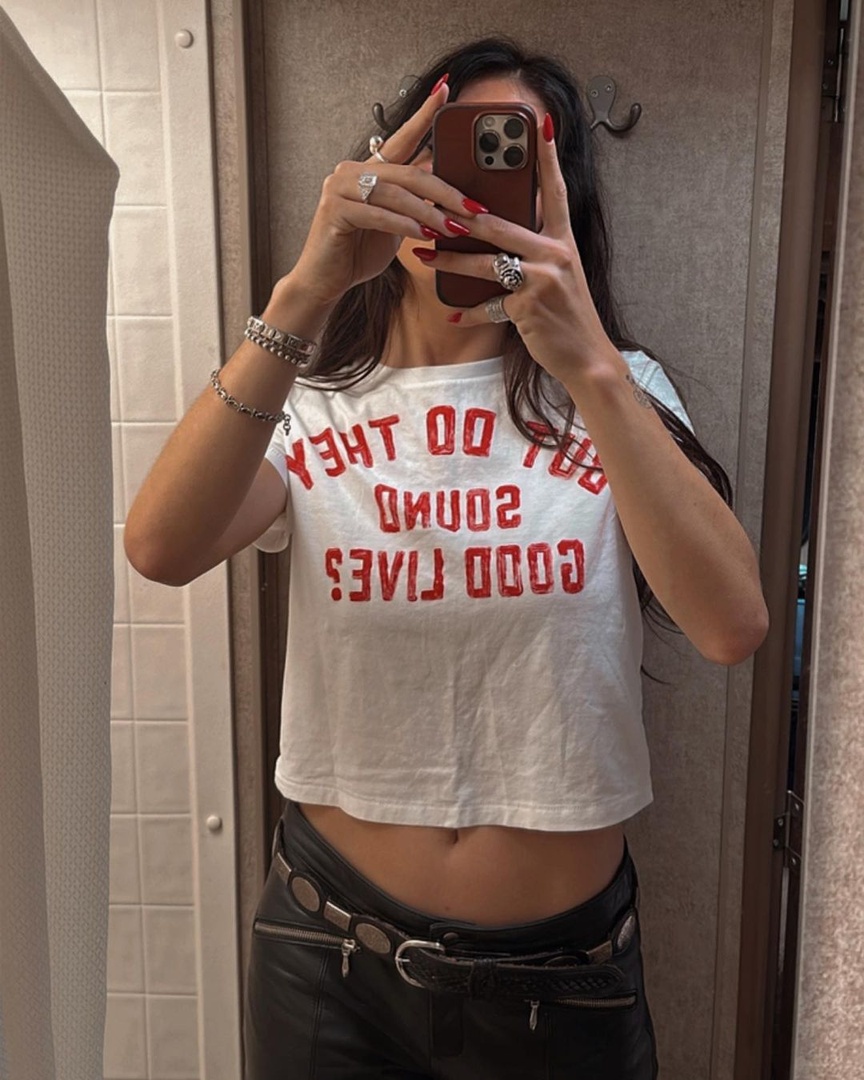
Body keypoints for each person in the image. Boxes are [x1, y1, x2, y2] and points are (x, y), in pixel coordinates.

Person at [125, 36, 768, 1080]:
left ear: (556, 196)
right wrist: (306, 291)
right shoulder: (311, 401)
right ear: (390, 167)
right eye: (441, 155)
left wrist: (590, 363)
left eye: (504, 157)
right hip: (327, 956)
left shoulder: (620, 390)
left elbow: (732, 626)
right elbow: (160, 545)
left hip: (565, 981)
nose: (463, 196)